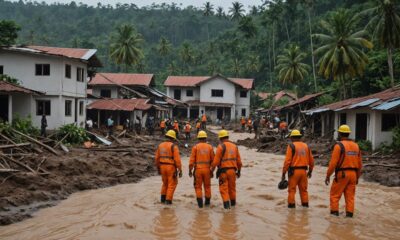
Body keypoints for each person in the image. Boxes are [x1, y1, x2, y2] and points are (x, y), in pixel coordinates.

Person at [325, 125, 362, 218]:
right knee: (350, 198)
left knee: (334, 196)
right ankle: (349, 217)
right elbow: (360, 164)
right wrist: (357, 176)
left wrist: (328, 175)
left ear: (340, 134)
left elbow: (333, 164)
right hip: (353, 174)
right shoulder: (356, 146)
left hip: (342, 174)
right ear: (348, 134)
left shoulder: (339, 146)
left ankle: (334, 217)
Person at [281, 130, 314, 208]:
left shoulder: (291, 146)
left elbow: (287, 162)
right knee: (304, 191)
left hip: (294, 172)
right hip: (304, 172)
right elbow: (312, 161)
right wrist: (310, 171)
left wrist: (283, 173)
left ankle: (291, 209)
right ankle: (305, 207)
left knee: (292, 190)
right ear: (299, 137)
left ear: (292, 137)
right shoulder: (306, 146)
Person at [211, 130, 242, 209]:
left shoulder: (221, 146)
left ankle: (227, 210)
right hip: (233, 172)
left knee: (224, 190)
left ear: (220, 138)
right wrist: (239, 171)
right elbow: (239, 162)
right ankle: (233, 207)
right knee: (232, 189)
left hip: (223, 172)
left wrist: (211, 171)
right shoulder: (235, 146)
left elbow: (215, 162)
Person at [155, 130, 183, 204]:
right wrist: (180, 170)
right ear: (173, 138)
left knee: (165, 183)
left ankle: (162, 200)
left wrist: (158, 168)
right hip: (171, 167)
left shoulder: (160, 145)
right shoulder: (173, 146)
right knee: (172, 184)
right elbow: (177, 160)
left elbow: (157, 158)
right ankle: (168, 201)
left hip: (162, 166)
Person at [189, 131, 215, 208]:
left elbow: (191, 161)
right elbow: (213, 160)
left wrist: (190, 170)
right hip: (207, 170)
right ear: (206, 138)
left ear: (198, 138)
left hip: (198, 170)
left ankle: (200, 206)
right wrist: (212, 171)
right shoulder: (210, 147)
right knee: (207, 186)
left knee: (198, 187)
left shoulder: (195, 147)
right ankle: (207, 203)